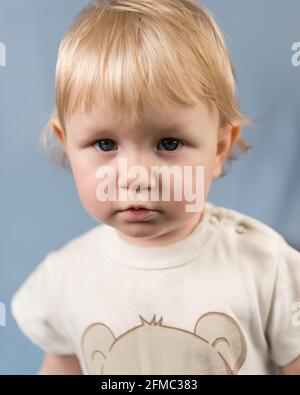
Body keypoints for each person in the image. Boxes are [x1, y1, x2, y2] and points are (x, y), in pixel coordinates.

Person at [11, 0, 300, 374]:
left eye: (168, 143)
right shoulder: (64, 277)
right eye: (105, 144)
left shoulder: (266, 266)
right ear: (66, 144)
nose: (136, 176)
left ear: (218, 148)